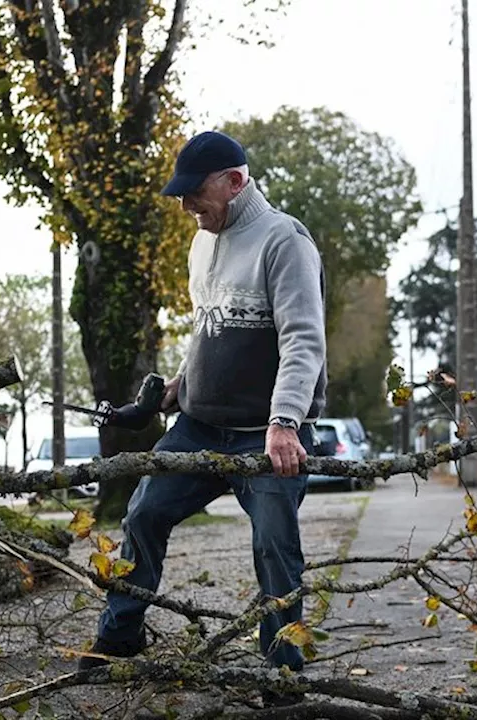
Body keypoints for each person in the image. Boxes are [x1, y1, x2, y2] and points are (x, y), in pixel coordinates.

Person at [79, 130, 328, 705]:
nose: (187, 206)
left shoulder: (283, 241)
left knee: (274, 545)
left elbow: (302, 341)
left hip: (265, 435)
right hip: (198, 425)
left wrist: (285, 421)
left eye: (196, 194)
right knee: (143, 512)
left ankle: (282, 679)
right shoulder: (203, 243)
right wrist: (176, 386)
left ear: (234, 182)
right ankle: (120, 637)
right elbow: (209, 330)